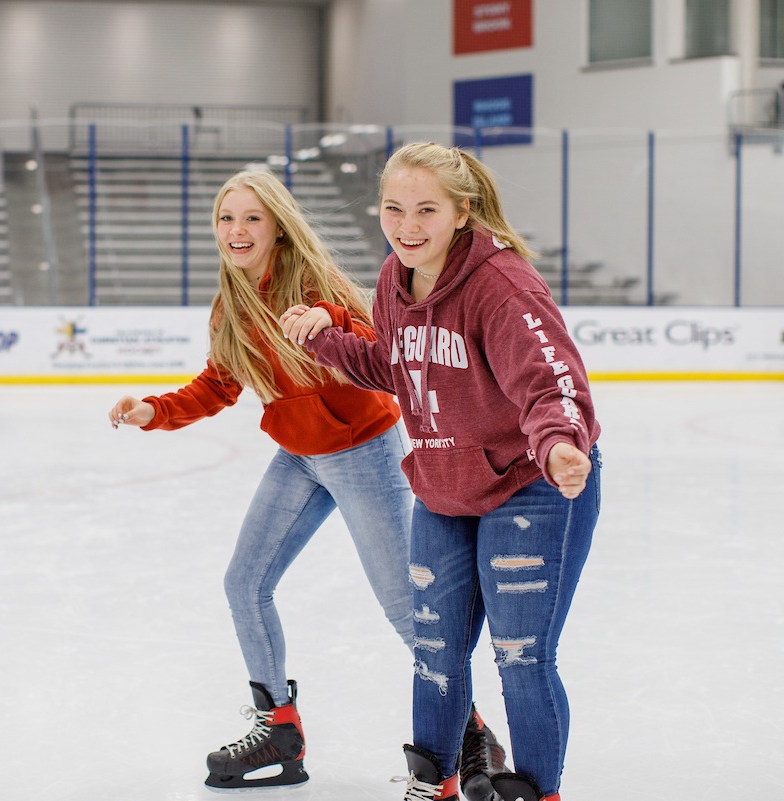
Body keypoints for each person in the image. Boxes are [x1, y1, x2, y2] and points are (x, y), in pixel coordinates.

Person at [107, 168, 504, 793]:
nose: (236, 231)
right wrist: (153, 410)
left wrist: (327, 319)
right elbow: (218, 385)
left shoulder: (313, 284)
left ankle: (472, 736)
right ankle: (280, 732)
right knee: (246, 583)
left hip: (361, 449)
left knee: (408, 609)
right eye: (226, 219)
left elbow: (380, 347)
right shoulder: (232, 303)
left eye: (251, 219)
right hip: (299, 455)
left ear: (277, 226)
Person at [279, 142, 602, 801]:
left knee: (520, 658)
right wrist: (325, 337)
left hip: (532, 483)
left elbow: (550, 382)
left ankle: (536, 792)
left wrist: (562, 443)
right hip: (445, 487)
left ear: (463, 212)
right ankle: (436, 782)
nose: (408, 225)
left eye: (427, 209)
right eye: (394, 208)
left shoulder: (502, 287)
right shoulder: (396, 281)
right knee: (435, 654)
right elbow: (393, 368)